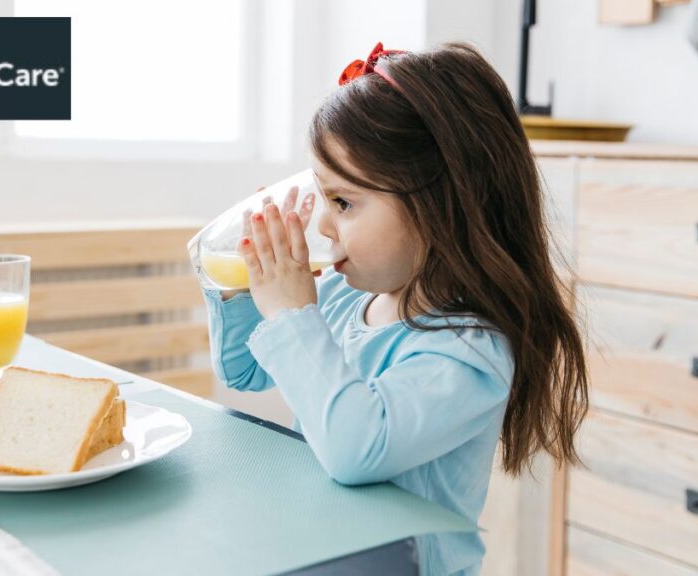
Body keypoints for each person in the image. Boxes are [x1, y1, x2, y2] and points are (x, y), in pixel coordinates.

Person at [201, 42, 588, 575]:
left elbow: (357, 449)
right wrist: (243, 280)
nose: (324, 227)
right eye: (323, 199)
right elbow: (243, 370)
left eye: (344, 203)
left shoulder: (468, 351)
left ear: (440, 207)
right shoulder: (344, 299)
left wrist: (293, 317)